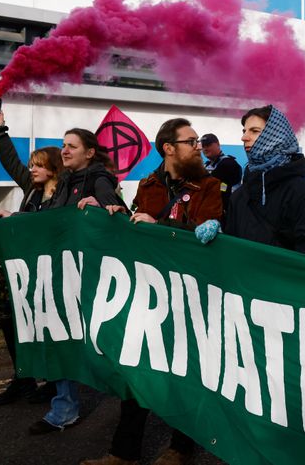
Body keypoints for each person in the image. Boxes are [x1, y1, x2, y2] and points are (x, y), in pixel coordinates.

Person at [82, 118, 224, 465]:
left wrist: (157, 226)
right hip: (151, 292)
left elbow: (202, 238)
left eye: (198, 140)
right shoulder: (147, 185)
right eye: (191, 141)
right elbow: (134, 226)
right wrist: (114, 213)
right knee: (138, 367)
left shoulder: (210, 186)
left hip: (192, 294)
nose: (198, 146)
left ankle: (181, 447)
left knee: (187, 372)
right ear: (169, 148)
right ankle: (123, 452)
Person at [26, 128, 125, 435]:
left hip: (91, 282)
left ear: (90, 152)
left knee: (104, 344)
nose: (64, 150)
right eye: (63, 145)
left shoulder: (99, 178)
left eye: (72, 146)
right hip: (64, 278)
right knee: (61, 339)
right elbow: (51, 222)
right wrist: (14, 218)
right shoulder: (65, 183)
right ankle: (63, 410)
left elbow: (117, 211)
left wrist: (106, 207)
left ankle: (139, 396)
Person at [0, 109, 62, 406]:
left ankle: (54, 381)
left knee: (50, 327)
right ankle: (24, 378)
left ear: (53, 169)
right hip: (24, 271)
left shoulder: (64, 196)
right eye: (32, 165)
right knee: (12, 321)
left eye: (39, 165)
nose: (32, 169)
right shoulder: (30, 189)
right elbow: (10, 162)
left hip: (53, 274)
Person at [223, 105, 305, 255]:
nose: (244, 137)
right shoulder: (240, 195)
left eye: (254, 131)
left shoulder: (301, 192)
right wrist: (219, 235)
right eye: (244, 131)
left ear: (276, 136)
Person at [200, 132, 242, 215]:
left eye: (208, 145)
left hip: (226, 213)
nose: (205, 148)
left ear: (218, 144)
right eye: (203, 146)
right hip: (210, 211)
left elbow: (207, 184)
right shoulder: (207, 164)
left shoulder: (228, 163)